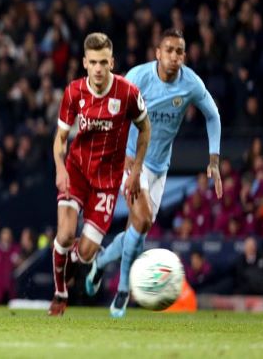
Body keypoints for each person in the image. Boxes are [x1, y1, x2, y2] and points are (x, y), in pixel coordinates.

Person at [86, 29, 221, 317]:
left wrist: (214, 159)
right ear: (157, 53)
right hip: (131, 159)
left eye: (180, 51)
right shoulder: (138, 78)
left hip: (160, 166)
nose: (174, 57)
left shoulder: (191, 83)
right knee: (143, 219)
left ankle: (100, 261)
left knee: (138, 229)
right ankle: (123, 290)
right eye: (169, 50)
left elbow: (213, 114)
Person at [50, 32, 150, 316]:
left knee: (85, 253)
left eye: (103, 62)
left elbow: (146, 129)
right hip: (77, 172)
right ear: (84, 62)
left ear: (112, 62)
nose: (98, 68)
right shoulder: (73, 92)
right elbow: (60, 137)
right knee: (66, 233)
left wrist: (137, 168)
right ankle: (60, 293)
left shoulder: (127, 93)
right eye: (93, 62)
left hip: (107, 182)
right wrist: (60, 168)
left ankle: (76, 261)